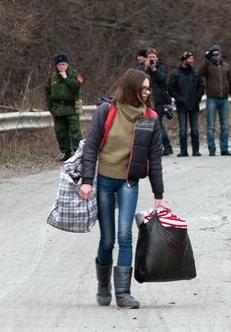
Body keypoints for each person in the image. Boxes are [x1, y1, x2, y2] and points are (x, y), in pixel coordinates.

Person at [79, 69, 166, 309]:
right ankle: (103, 286)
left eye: (149, 88)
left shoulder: (150, 118)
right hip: (105, 181)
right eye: (144, 88)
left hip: (129, 182)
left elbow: (155, 158)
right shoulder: (107, 112)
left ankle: (123, 293)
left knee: (125, 235)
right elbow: (91, 148)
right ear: (131, 88)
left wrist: (159, 195)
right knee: (107, 240)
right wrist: (87, 180)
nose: (148, 92)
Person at [201, 45, 231, 156]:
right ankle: (211, 149)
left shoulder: (226, 66)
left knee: (225, 125)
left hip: (224, 99)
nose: (217, 57)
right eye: (214, 55)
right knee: (211, 126)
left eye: (218, 54)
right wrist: (207, 60)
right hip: (212, 98)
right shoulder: (208, 66)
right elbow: (200, 73)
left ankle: (224, 148)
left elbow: (230, 83)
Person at [44, 54, 84, 161]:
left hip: (71, 108)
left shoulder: (75, 75)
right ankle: (66, 153)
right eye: (59, 65)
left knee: (75, 131)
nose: (61, 67)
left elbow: (76, 87)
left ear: (67, 64)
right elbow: (47, 93)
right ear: (56, 66)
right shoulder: (52, 77)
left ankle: (78, 153)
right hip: (58, 109)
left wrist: (66, 77)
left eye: (63, 64)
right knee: (61, 132)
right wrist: (51, 108)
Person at [136, 48, 173, 156]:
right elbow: (138, 80)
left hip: (158, 100)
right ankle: (148, 148)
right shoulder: (141, 68)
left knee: (157, 124)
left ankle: (167, 147)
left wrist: (154, 69)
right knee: (145, 124)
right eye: (149, 57)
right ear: (146, 58)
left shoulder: (161, 67)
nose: (152, 59)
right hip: (145, 99)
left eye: (153, 57)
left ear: (157, 58)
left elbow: (163, 80)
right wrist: (146, 68)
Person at [168, 52, 205, 157]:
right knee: (183, 130)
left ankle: (195, 151)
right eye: (190, 59)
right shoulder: (176, 73)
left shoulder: (196, 72)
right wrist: (179, 98)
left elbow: (201, 86)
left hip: (194, 104)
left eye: (192, 58)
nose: (192, 60)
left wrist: (197, 98)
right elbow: (171, 88)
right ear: (184, 60)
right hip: (181, 105)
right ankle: (183, 151)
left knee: (194, 130)